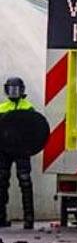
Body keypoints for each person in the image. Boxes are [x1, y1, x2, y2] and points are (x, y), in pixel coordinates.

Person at [0, 77, 37, 229]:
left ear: (22, 90)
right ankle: (1, 218)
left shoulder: (28, 107)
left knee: (25, 181)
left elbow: (35, 130)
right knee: (1, 182)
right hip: (4, 150)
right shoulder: (2, 108)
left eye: (16, 89)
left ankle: (29, 219)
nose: (13, 92)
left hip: (22, 149)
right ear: (6, 90)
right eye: (11, 88)